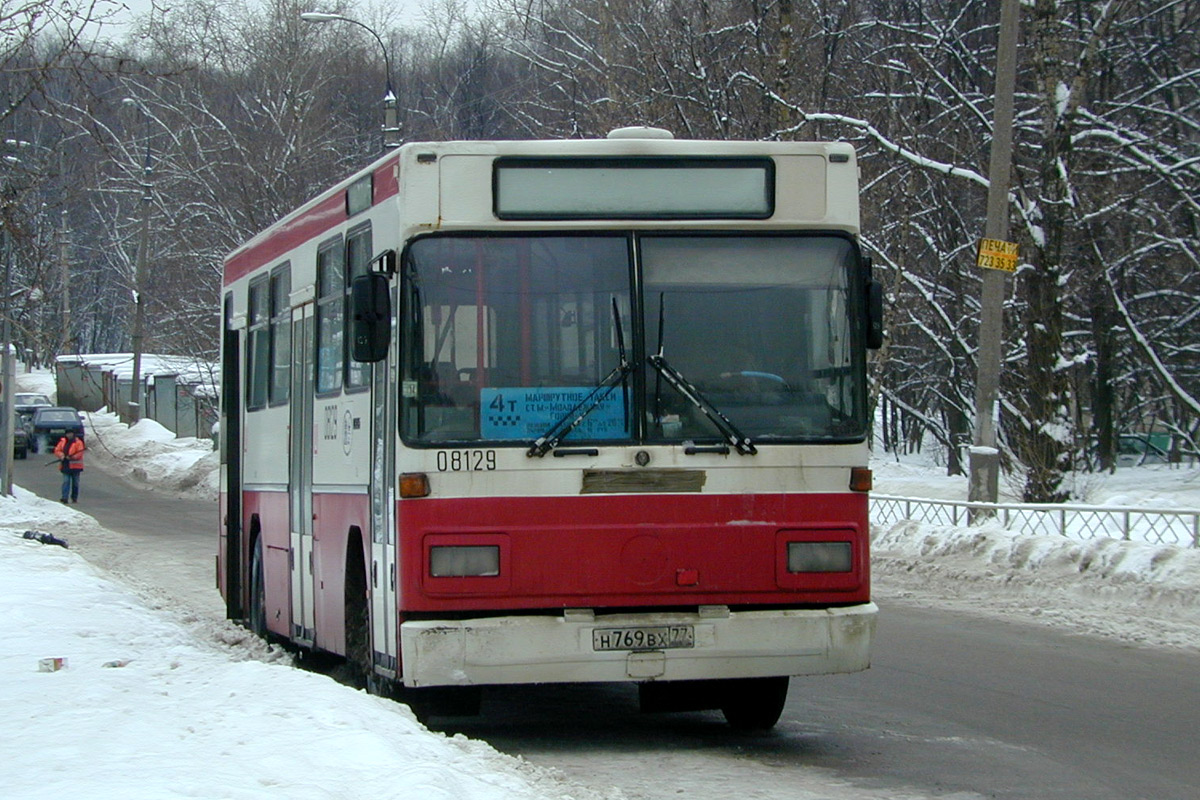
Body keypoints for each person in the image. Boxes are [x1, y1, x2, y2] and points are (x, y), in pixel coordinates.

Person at [53, 429, 85, 504]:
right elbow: (57, 450)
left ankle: (74, 498)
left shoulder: (78, 443)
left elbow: (80, 453)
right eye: (68, 434)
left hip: (76, 467)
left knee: (75, 483)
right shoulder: (62, 442)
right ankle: (64, 497)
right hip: (65, 466)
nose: (69, 435)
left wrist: (72, 457)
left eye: (70, 433)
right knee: (66, 482)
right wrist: (62, 456)